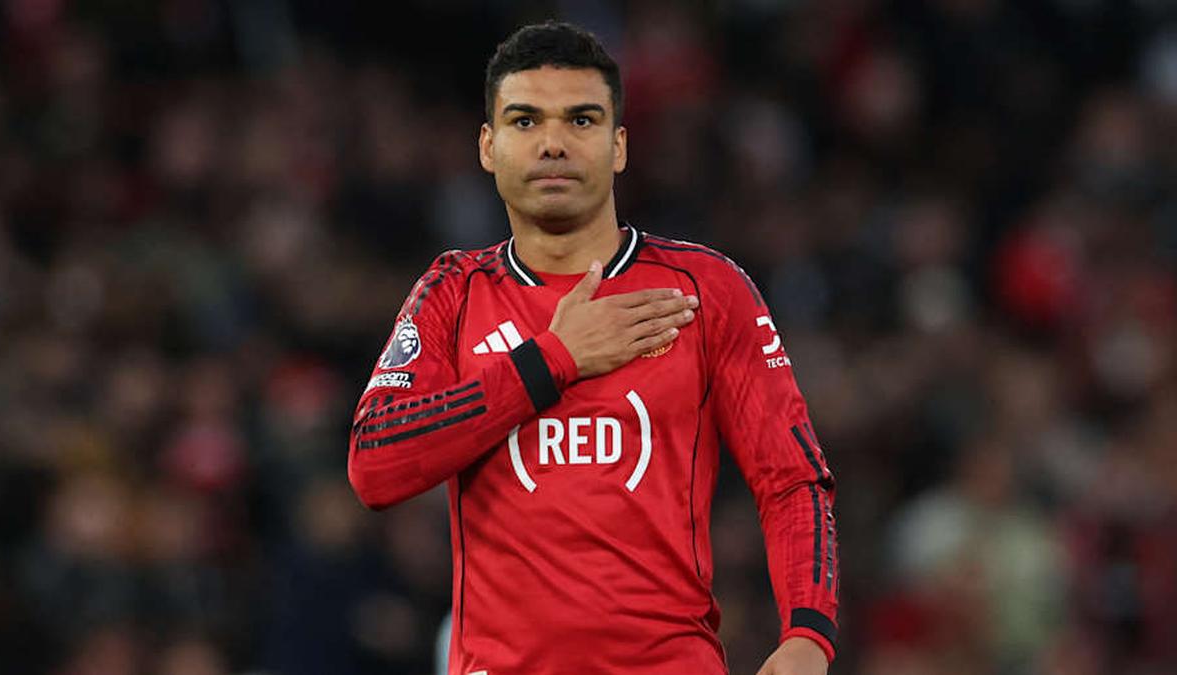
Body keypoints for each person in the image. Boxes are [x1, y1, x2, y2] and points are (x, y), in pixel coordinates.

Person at [348, 21, 839, 675]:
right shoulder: (452, 292)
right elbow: (375, 462)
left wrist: (809, 630)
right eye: (525, 121)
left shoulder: (707, 290)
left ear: (619, 146)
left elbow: (794, 477)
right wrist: (554, 358)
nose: (553, 143)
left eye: (581, 119)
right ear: (489, 147)